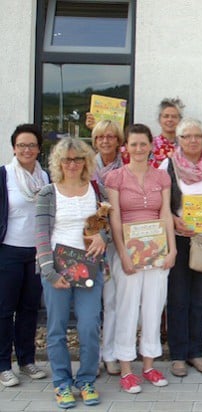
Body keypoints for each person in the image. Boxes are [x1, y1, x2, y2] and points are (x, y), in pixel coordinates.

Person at [105, 124, 177, 394]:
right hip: (129, 252)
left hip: (157, 250)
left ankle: (148, 365)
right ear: (126, 147)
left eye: (143, 144)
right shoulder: (116, 178)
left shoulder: (161, 177)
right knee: (127, 307)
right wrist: (122, 254)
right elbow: (114, 218)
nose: (138, 149)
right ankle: (126, 368)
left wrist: (172, 249)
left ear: (150, 146)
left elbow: (166, 213)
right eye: (133, 144)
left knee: (153, 307)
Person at [35, 138, 106, 408]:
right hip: (57, 266)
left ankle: (86, 380)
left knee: (89, 326)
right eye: (67, 159)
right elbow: (41, 235)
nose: (73, 164)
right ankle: (62, 383)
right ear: (59, 163)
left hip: (89, 267)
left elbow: (105, 225)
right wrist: (49, 272)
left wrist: (102, 237)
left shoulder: (96, 191)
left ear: (86, 162)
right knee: (57, 328)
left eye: (78, 159)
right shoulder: (47, 193)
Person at [160, 118, 202, 377]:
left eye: (197, 135)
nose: (193, 140)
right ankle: (178, 355)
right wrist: (173, 218)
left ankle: (196, 352)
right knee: (178, 299)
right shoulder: (167, 165)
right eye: (187, 136)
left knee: (201, 300)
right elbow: (160, 202)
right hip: (177, 239)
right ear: (178, 139)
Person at [0, 124, 49, 388]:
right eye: (21, 145)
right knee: (5, 310)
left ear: (39, 149)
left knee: (30, 309)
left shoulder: (46, 178)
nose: (26, 150)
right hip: (8, 251)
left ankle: (27, 360)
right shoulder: (4, 175)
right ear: (14, 148)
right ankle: (3, 365)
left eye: (31, 145)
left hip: (38, 253)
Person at [90, 120, 124, 376]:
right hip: (89, 243)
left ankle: (110, 353)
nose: (105, 141)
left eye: (110, 137)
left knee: (113, 300)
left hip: (118, 242)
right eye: (100, 137)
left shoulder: (126, 167)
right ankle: (92, 356)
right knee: (90, 303)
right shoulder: (85, 166)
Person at [150, 97, 184, 168]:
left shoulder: (185, 144)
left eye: (174, 117)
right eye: (166, 116)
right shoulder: (150, 144)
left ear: (180, 120)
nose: (170, 119)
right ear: (159, 119)